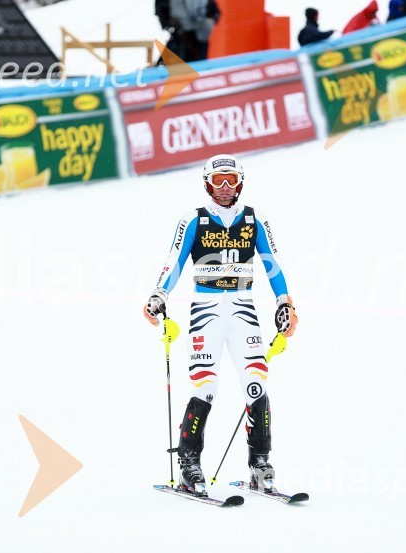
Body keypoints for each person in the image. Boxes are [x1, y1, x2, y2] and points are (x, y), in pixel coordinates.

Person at [143, 154, 298, 497]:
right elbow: (174, 261)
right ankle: (189, 465)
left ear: (241, 182)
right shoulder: (193, 220)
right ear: (207, 184)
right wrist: (158, 294)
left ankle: (260, 463)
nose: (225, 187)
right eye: (218, 180)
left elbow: (272, 263)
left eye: (231, 180)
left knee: (256, 385)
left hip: (243, 310)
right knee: (205, 387)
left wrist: (284, 302)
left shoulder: (255, 219)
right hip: (206, 312)